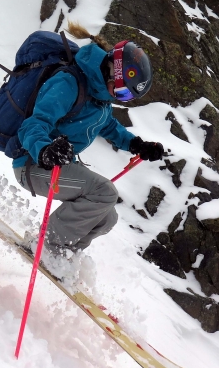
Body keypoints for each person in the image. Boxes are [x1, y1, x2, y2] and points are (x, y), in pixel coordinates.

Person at [13, 22, 164, 255]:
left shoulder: (98, 94)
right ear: (113, 72)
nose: (122, 99)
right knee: (104, 193)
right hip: (34, 163)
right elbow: (32, 125)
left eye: (127, 97)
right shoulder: (69, 83)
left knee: (107, 217)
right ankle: (48, 249)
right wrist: (45, 150)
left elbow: (107, 124)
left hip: (59, 166)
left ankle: (65, 256)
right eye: (123, 92)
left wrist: (136, 144)